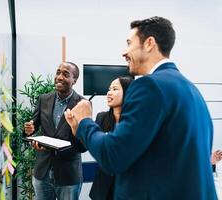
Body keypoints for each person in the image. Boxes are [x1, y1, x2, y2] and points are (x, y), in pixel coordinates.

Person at [64, 16, 218, 199]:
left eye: (129, 43)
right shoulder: (191, 90)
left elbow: (113, 156)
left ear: (149, 44)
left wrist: (84, 122)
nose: (124, 52)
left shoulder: (150, 86)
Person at [24, 62, 86, 200]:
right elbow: (32, 127)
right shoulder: (43, 99)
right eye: (58, 72)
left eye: (65, 74)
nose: (59, 77)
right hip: (42, 173)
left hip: (68, 174)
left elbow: (83, 145)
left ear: (74, 80)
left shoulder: (82, 104)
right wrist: (29, 130)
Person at [89, 76, 133, 200]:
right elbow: (91, 147)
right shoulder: (101, 117)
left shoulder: (136, 121)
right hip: (103, 188)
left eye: (115, 89)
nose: (109, 92)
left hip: (128, 187)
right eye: (109, 89)